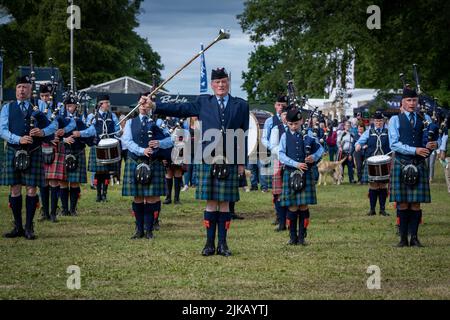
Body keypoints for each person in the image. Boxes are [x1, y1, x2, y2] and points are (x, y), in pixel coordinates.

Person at [142, 67, 249, 256]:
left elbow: (243, 135)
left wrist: (242, 162)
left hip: (230, 158)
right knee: (210, 202)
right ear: (212, 85)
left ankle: (223, 244)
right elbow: (180, 109)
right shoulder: (203, 102)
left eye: (224, 81)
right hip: (208, 157)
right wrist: (155, 106)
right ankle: (209, 244)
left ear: (228, 83)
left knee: (224, 203)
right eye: (217, 82)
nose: (221, 85)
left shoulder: (240, 105)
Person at [0, 75, 57, 239]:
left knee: (32, 189)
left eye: (25, 87)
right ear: (16, 89)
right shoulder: (7, 108)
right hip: (14, 150)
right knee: (15, 188)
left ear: (30, 89)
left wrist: (42, 132)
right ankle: (17, 226)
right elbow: (2, 130)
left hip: (33, 151)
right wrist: (18, 139)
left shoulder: (40, 105)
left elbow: (53, 125)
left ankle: (28, 227)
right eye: (19, 87)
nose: (21, 90)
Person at [388, 87, 437, 247]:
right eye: (409, 100)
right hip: (402, 163)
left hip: (418, 163)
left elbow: (430, 139)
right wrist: (414, 150)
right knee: (402, 203)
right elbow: (394, 144)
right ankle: (403, 238)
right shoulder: (395, 120)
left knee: (416, 203)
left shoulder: (424, 119)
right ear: (402, 102)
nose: (412, 103)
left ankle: (414, 238)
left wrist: (433, 145)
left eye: (414, 100)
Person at [121, 96, 173, 239]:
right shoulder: (130, 122)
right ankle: (139, 230)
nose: (143, 106)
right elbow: (126, 141)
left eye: (146, 103)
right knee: (137, 197)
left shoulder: (159, 122)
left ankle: (149, 230)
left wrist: (159, 143)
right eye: (141, 103)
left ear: (150, 105)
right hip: (135, 161)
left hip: (154, 162)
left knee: (151, 198)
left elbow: (171, 140)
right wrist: (141, 150)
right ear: (137, 105)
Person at [279, 108, 324, 245]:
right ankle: (292, 237)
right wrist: (295, 164)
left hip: (306, 174)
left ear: (301, 121)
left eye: (296, 124)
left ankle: (302, 236)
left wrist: (314, 157)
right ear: (287, 123)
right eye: (291, 124)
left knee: (303, 206)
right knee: (292, 206)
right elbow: (281, 154)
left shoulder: (309, 134)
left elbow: (321, 149)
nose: (294, 127)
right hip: (291, 172)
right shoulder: (284, 136)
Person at [80, 95, 121, 202]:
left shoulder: (112, 116)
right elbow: (89, 130)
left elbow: (117, 129)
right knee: (98, 172)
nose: (108, 104)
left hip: (109, 146)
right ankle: (98, 194)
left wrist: (120, 132)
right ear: (100, 104)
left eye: (108, 102)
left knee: (107, 172)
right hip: (97, 145)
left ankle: (104, 194)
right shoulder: (92, 116)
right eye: (106, 103)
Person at [61, 96, 95, 216]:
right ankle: (64, 209)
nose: (70, 108)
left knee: (75, 182)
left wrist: (80, 133)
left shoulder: (81, 119)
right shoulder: (60, 119)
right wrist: (64, 139)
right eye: (68, 106)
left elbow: (91, 132)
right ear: (65, 106)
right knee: (63, 181)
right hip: (64, 151)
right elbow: (54, 133)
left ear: (76, 106)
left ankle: (73, 209)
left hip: (78, 151)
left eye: (72, 105)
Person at [355, 111, 391, 216]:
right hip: (371, 162)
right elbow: (360, 141)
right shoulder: (368, 132)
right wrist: (358, 145)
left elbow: (394, 142)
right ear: (373, 121)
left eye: (380, 121)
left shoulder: (388, 131)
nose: (378, 123)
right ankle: (372, 209)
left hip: (384, 161)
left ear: (383, 121)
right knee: (373, 185)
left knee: (383, 185)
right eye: (376, 121)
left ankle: (382, 209)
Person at [269, 104, 289, 231]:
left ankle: (290, 221)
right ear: (280, 116)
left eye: (288, 115)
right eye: (284, 115)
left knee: (291, 192)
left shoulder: (297, 129)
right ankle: (281, 222)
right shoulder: (277, 129)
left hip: (293, 163)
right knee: (278, 193)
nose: (286, 118)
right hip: (279, 162)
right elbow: (273, 146)